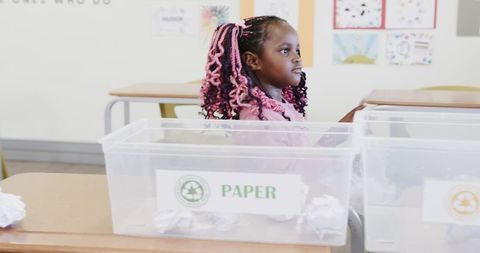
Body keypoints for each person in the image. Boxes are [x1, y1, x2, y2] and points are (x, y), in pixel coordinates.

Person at [200, 16, 307, 122]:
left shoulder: (281, 105)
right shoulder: (258, 117)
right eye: (285, 51)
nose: (297, 58)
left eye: (297, 51)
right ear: (253, 61)